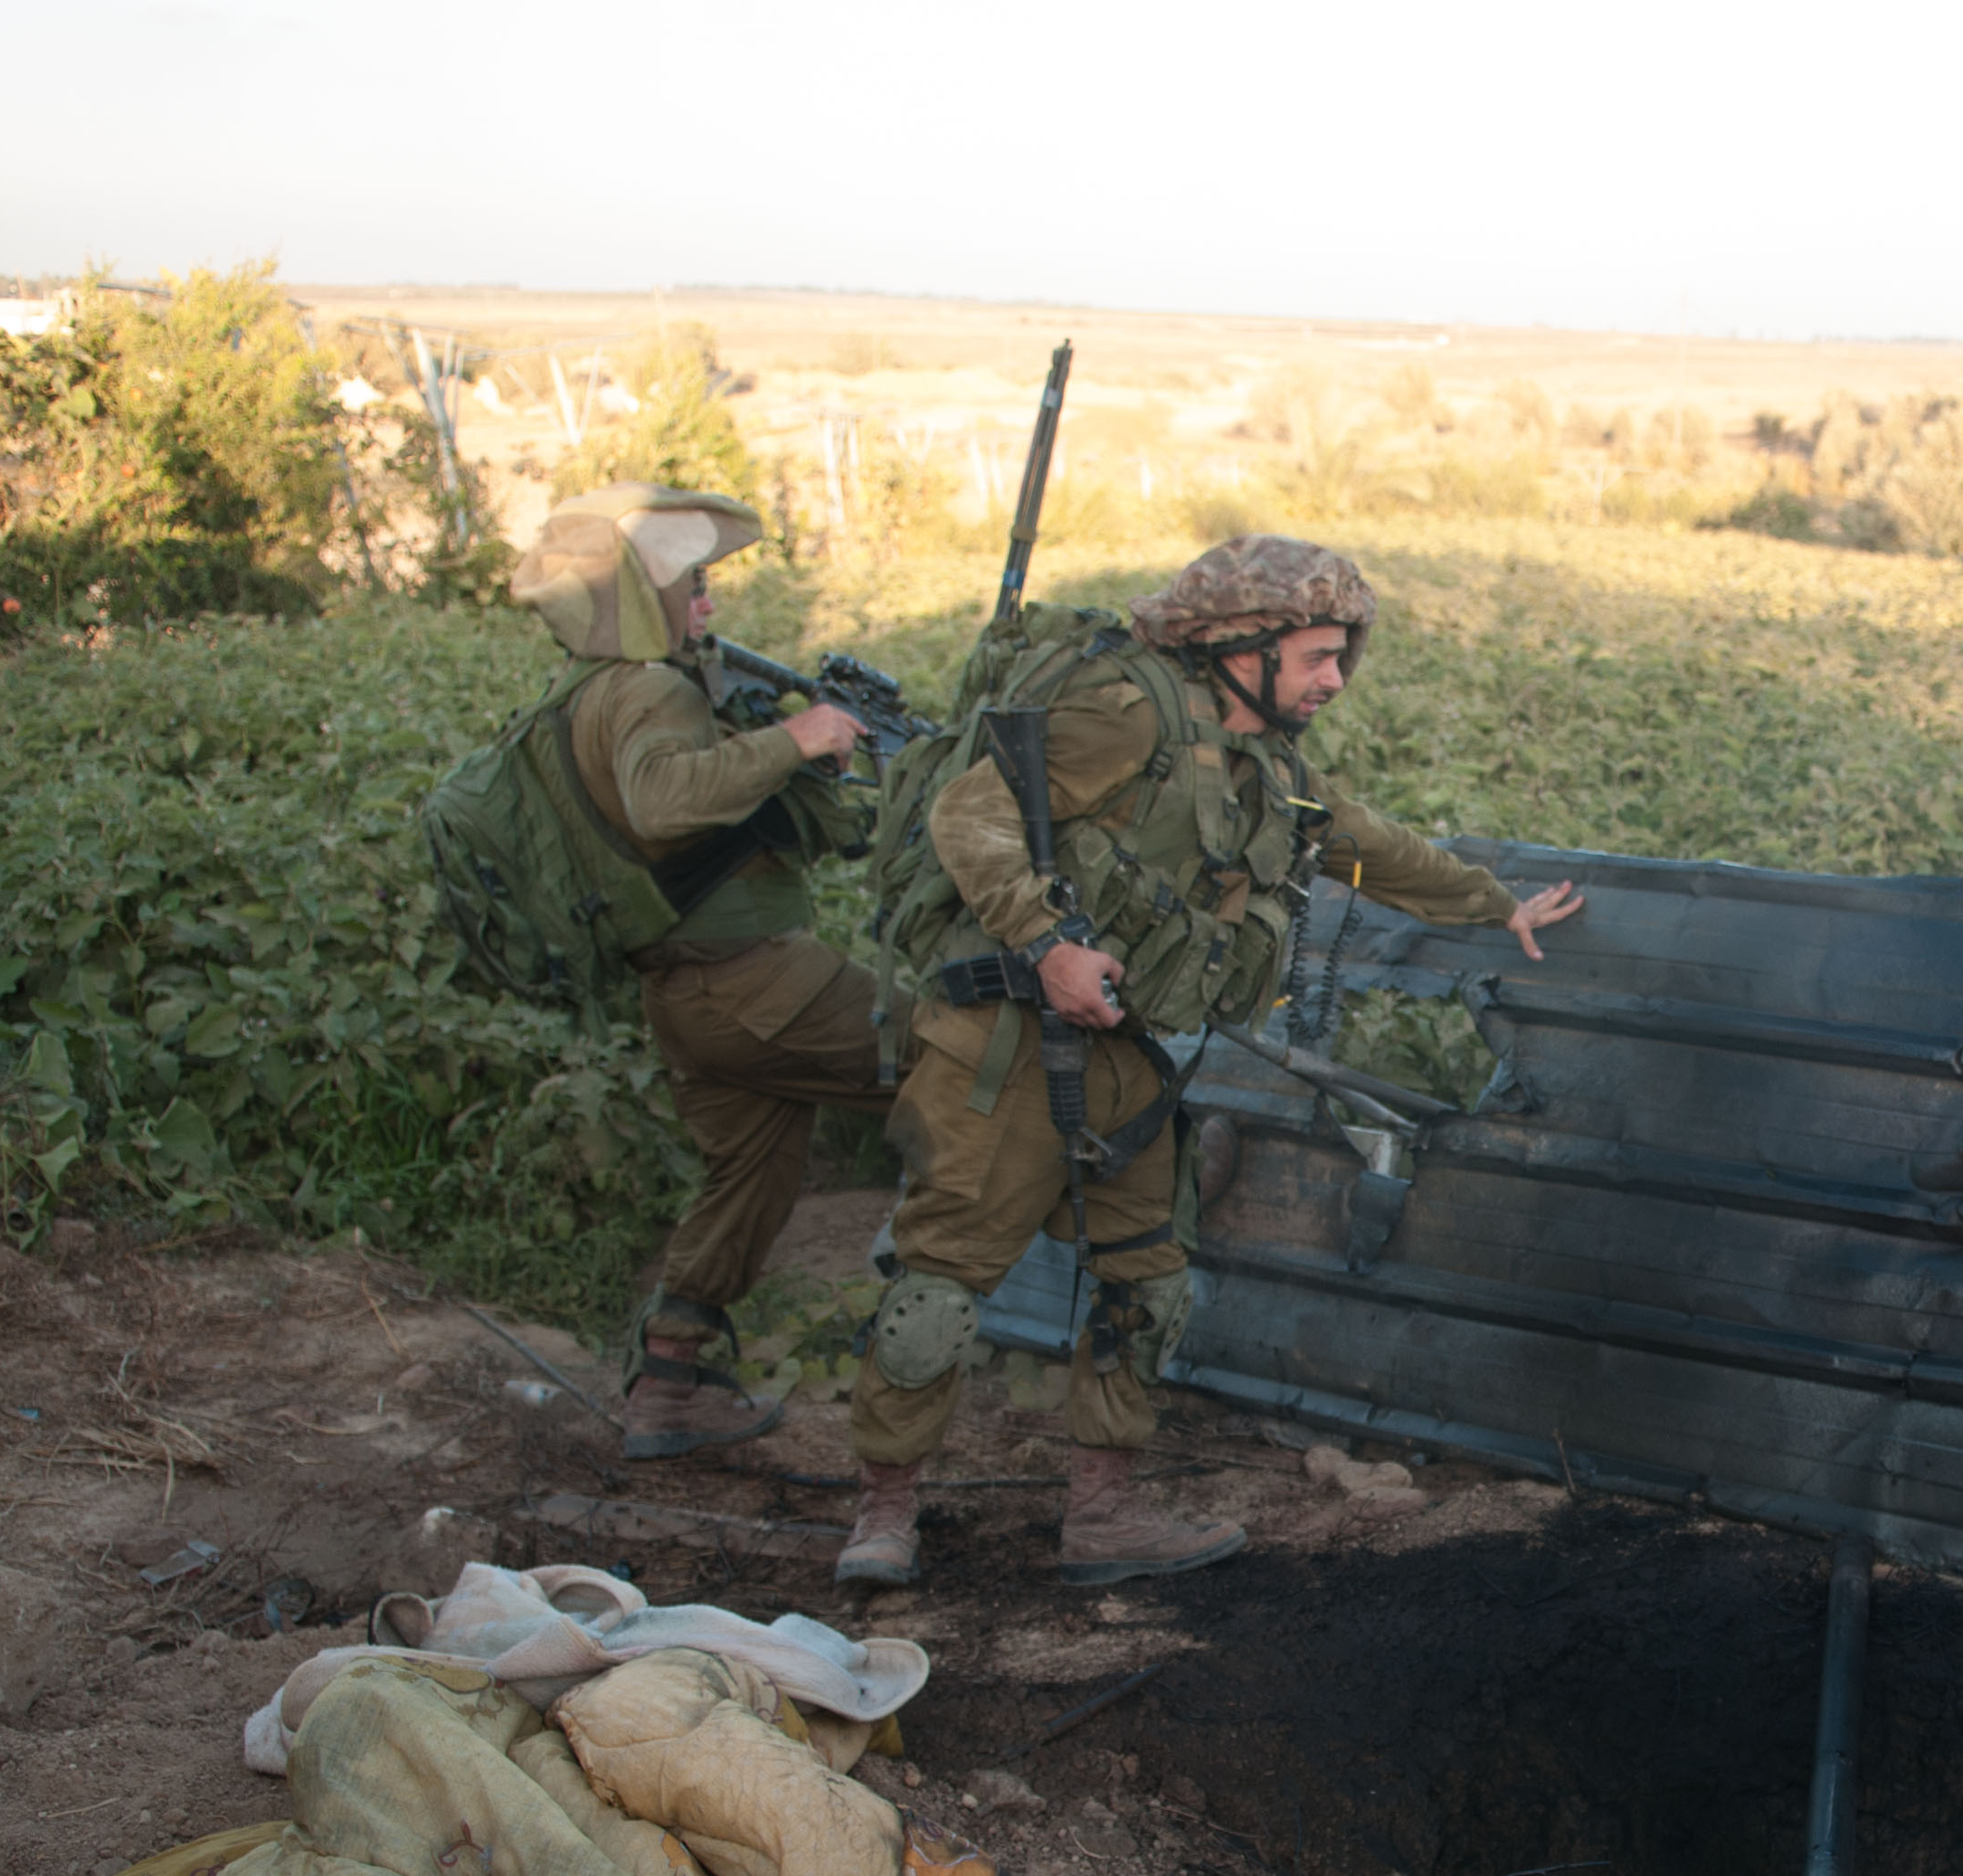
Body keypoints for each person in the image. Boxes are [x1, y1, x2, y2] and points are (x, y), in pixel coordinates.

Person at [834, 535, 1586, 1588]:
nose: (1334, 681)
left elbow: (1350, 837)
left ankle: (1103, 1515)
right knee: (941, 1287)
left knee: (1148, 1286)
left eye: (1341, 659)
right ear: (1241, 645)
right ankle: (882, 1516)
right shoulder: (1128, 711)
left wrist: (1494, 904)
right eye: (1319, 657)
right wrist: (1045, 946)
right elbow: (972, 807)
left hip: (1133, 1061)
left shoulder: (1265, 762)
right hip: (1003, 1048)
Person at [507, 484, 889, 1461]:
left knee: (751, 1173)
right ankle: (947, 1335)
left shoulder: (588, 692)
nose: (710, 605)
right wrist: (800, 736)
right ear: (646, 597)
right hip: (751, 980)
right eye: (696, 585)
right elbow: (662, 801)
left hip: (687, 993)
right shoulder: (650, 688)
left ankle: (670, 1386)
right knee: (965, 1069)